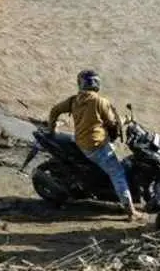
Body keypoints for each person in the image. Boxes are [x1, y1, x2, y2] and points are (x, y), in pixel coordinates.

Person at [47, 70, 141, 221]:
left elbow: (55, 110)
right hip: (96, 147)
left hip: (81, 143)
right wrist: (127, 119)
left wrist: (52, 127)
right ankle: (131, 212)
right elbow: (114, 123)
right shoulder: (100, 102)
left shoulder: (74, 101)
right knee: (118, 173)